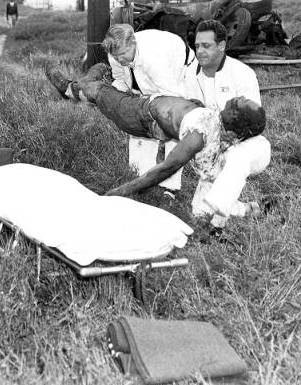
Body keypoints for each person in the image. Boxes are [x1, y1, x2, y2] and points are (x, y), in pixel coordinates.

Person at [45, 66, 267, 221]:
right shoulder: (220, 128)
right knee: (202, 210)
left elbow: (164, 169)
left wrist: (115, 194)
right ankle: (252, 210)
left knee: (98, 92)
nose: (240, 98)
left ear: (237, 120)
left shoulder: (199, 136)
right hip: (152, 104)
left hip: (140, 114)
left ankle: (72, 87)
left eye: (243, 103)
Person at [183, 20, 272, 229]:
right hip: (213, 149)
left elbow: (253, 120)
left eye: (207, 46)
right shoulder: (190, 74)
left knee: (237, 156)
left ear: (222, 46)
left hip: (249, 145)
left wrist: (227, 133)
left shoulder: (242, 73)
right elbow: (190, 112)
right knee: (199, 211)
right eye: (197, 46)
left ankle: (218, 225)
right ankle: (249, 209)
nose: (200, 51)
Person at [102, 24, 191, 98]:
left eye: (123, 53)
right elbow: (120, 79)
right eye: (116, 56)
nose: (120, 59)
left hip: (182, 65)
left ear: (133, 43)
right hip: (152, 68)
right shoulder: (113, 53)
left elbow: (171, 93)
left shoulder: (151, 56)